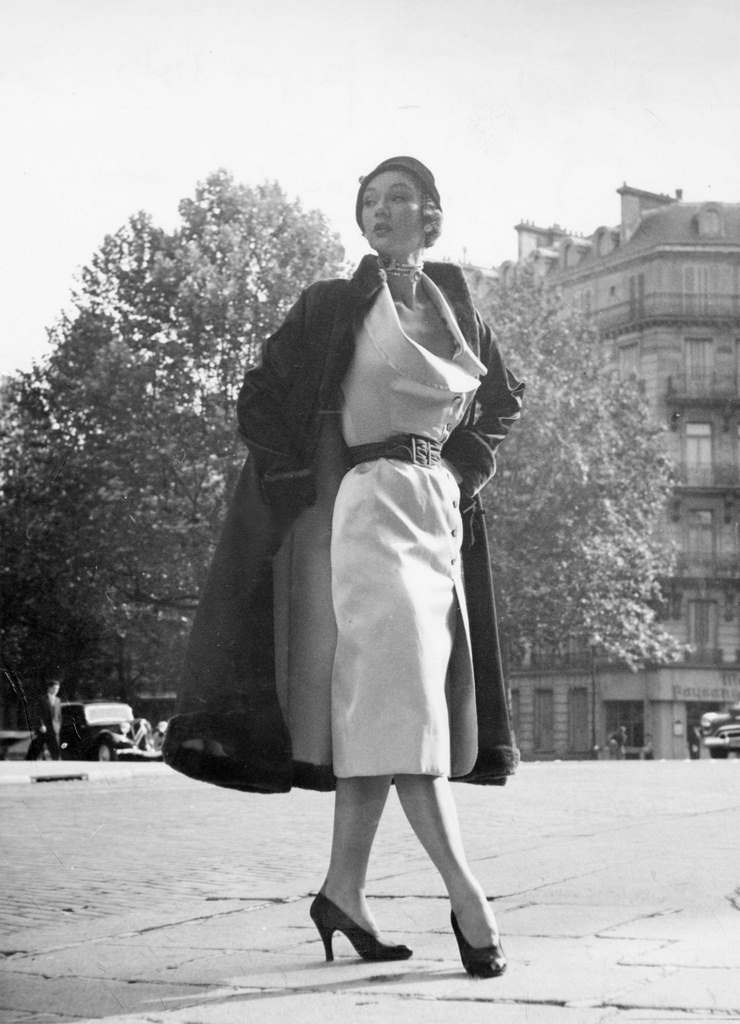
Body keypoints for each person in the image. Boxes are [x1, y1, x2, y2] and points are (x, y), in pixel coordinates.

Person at [163, 156, 524, 978]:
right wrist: (292, 479)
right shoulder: (331, 305)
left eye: (401, 198)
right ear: (361, 221)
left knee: (383, 717)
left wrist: (464, 466)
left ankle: (342, 894)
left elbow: (501, 400)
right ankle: (469, 899)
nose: (383, 211)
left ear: (432, 215)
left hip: (436, 516)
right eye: (371, 202)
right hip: (363, 510)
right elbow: (259, 394)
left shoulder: (458, 302)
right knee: (405, 715)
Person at [27, 678, 63, 760]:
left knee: (56, 751)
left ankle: (58, 768)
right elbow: (37, 714)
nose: (56, 690)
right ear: (49, 688)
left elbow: (59, 716)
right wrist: (41, 725)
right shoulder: (41, 699)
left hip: (54, 730)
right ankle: (27, 764)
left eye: (57, 689)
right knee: (36, 749)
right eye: (54, 688)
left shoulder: (58, 700)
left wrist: (58, 726)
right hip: (43, 729)